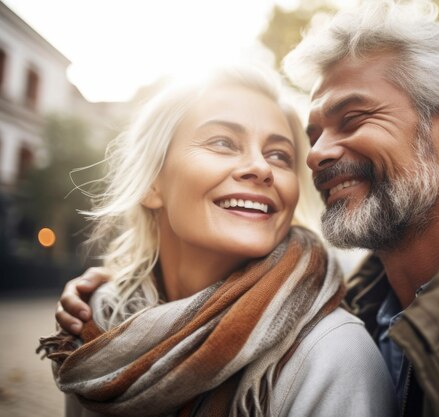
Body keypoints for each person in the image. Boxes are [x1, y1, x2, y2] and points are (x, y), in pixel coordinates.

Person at [55, 2, 439, 417]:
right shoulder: (350, 303)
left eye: (354, 120)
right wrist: (129, 302)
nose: (318, 153)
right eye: (314, 132)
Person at [38, 65, 397, 417]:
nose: (261, 167)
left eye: (279, 155)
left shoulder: (333, 354)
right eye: (223, 142)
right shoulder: (96, 333)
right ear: (152, 183)